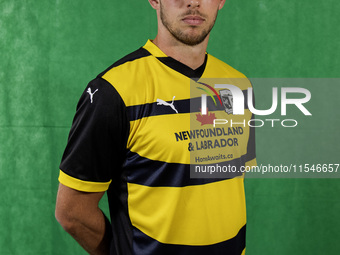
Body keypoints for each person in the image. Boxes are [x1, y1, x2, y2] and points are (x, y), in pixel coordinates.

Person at [55, 0, 256, 254]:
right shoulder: (113, 92)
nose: (193, 2)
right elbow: (72, 213)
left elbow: (223, 191)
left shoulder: (240, 86)